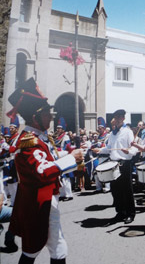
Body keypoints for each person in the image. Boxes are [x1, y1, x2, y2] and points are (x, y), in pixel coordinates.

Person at [7, 77, 83, 264]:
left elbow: (49, 158)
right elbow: (42, 170)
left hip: (46, 198)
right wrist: (71, 159)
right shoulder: (29, 141)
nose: (52, 117)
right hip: (41, 201)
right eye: (48, 114)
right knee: (36, 249)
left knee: (53, 246)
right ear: (36, 117)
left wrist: (70, 154)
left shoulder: (38, 137)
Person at [93, 110, 137, 224]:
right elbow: (109, 148)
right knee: (115, 190)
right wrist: (100, 150)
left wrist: (129, 151)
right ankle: (120, 212)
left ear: (123, 118)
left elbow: (134, 148)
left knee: (126, 190)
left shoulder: (128, 132)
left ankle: (130, 213)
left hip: (124, 163)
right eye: (115, 118)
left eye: (119, 117)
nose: (117, 120)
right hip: (113, 163)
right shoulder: (112, 133)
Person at [55, 117, 74, 201]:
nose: (58, 129)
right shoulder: (57, 137)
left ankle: (69, 194)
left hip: (64, 156)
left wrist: (57, 150)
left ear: (63, 129)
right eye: (57, 128)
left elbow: (67, 147)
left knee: (66, 177)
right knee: (60, 177)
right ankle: (62, 193)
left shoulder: (65, 137)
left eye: (59, 128)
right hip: (59, 157)